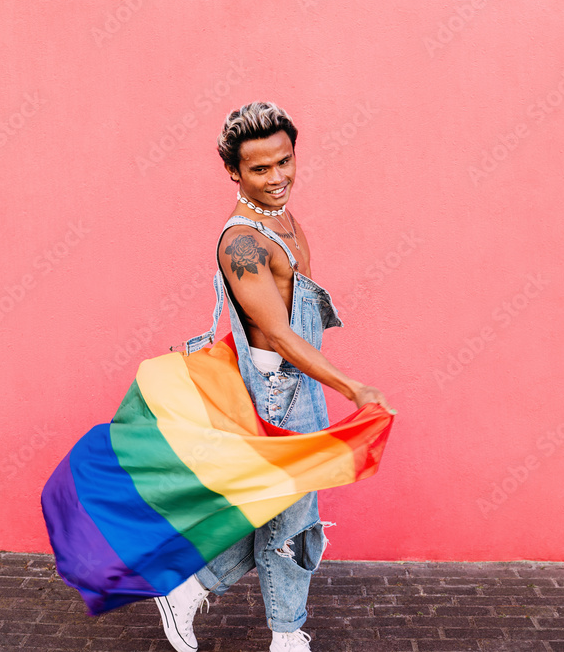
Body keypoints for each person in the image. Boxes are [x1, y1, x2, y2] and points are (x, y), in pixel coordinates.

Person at [155, 101, 393, 652]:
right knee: (290, 517)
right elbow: (282, 336)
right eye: (260, 169)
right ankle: (285, 636)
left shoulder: (279, 216)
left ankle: (189, 589)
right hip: (275, 393)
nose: (278, 177)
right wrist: (353, 387)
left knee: (273, 512)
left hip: (298, 384)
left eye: (284, 161)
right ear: (234, 173)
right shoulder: (242, 241)